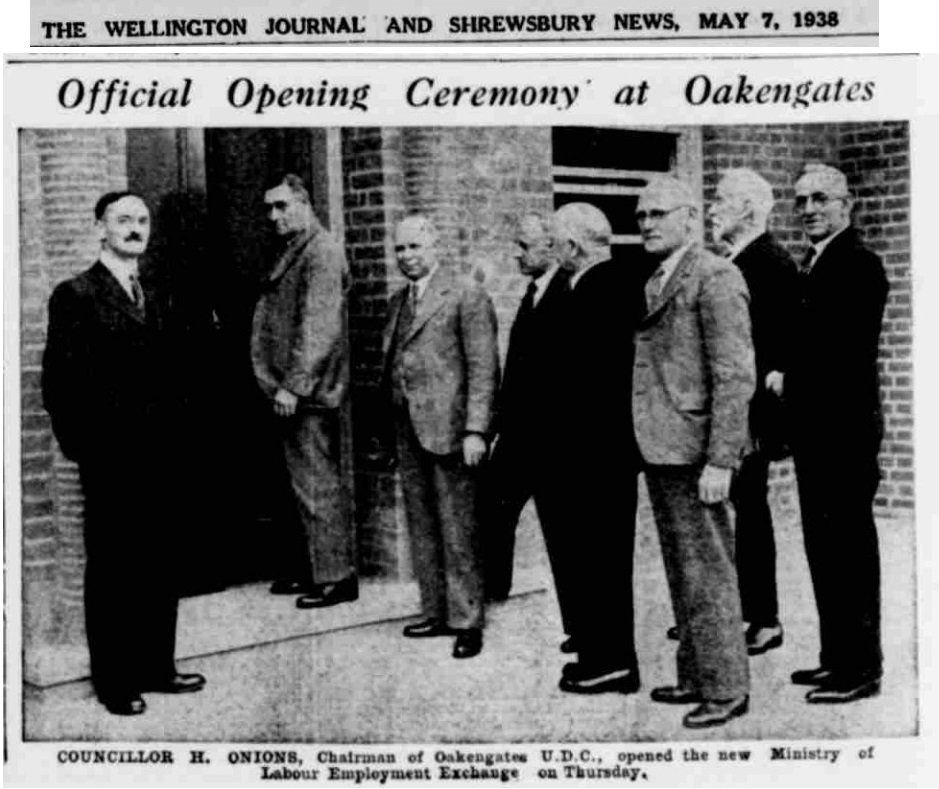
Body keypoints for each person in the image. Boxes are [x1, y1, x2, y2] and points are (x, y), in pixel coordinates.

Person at [41, 191, 206, 716]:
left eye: (142, 220)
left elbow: (180, 372)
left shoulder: (157, 290)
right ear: (100, 229)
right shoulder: (76, 294)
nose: (135, 229)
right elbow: (59, 384)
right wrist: (89, 449)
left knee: (160, 560)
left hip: (163, 454)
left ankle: (157, 666)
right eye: (123, 220)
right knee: (114, 566)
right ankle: (114, 680)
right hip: (111, 458)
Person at [633, 176, 755, 729]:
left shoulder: (716, 275)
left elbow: (735, 374)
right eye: (641, 216)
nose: (646, 224)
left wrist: (721, 459)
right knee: (684, 573)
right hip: (664, 448)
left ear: (689, 217)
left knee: (709, 574)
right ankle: (695, 676)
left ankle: (726, 688)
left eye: (657, 213)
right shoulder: (659, 277)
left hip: (697, 452)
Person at [785, 164, 888, 703]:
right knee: (824, 549)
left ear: (847, 205)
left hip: (844, 435)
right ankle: (837, 658)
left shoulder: (859, 265)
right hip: (818, 434)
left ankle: (861, 670)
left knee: (848, 552)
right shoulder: (817, 262)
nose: (809, 209)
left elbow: (845, 354)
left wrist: (789, 378)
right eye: (801, 201)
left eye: (820, 199)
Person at [381, 215, 499, 659]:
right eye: (400, 248)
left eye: (415, 247)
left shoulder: (465, 293)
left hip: (452, 431)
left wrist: (476, 430)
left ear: (435, 247)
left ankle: (467, 620)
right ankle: (435, 611)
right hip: (408, 430)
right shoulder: (398, 302)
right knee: (423, 525)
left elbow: (483, 368)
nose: (407, 256)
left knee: (458, 527)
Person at [552, 202, 650, 695]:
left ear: (573, 246)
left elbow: (590, 379)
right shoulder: (604, 284)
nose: (554, 250)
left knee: (602, 562)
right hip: (596, 450)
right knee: (594, 560)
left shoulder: (602, 288)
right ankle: (599, 655)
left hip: (597, 452)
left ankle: (613, 662)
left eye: (556, 242)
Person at [251, 173, 356, 609]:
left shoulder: (322, 251)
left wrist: (294, 385)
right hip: (290, 393)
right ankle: (311, 568)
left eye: (282, 206)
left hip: (306, 395)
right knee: (299, 485)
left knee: (316, 485)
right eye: (269, 208)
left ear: (305, 204)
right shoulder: (297, 249)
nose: (273, 216)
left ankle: (335, 577)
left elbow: (319, 326)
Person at [707, 168, 799, 655]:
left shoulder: (768, 262)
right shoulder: (739, 260)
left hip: (750, 415)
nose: (712, 209)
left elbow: (771, 346)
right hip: (736, 410)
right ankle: (726, 614)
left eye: (720, 200)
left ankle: (763, 618)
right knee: (732, 512)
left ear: (746, 209)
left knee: (750, 513)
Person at [482, 213, 571, 605]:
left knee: (562, 530)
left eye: (523, 245)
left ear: (550, 246)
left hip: (551, 440)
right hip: (517, 437)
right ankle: (491, 592)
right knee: (492, 509)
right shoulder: (532, 293)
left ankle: (578, 620)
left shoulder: (567, 292)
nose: (516, 254)